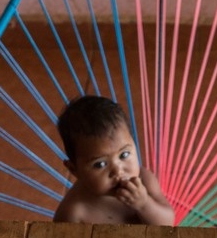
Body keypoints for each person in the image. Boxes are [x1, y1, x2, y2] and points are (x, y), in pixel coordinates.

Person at [52, 95, 175, 225]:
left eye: (124, 155)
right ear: (74, 169)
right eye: (100, 164)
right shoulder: (73, 213)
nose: (118, 170)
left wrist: (144, 204)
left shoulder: (145, 180)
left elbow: (167, 225)